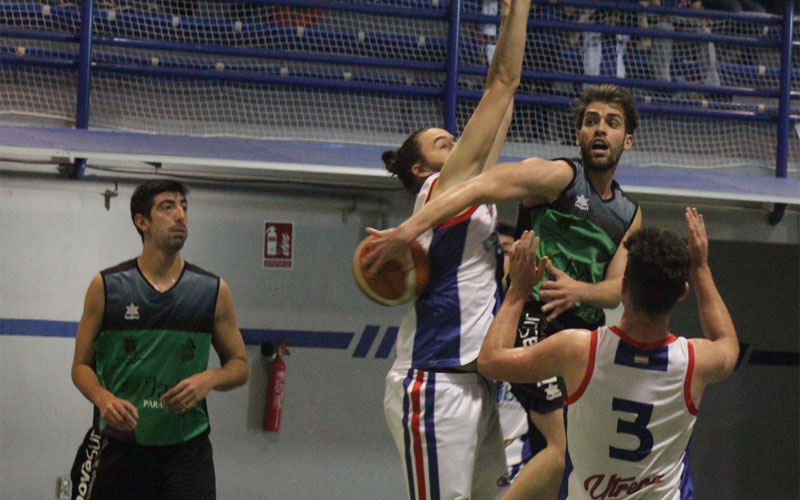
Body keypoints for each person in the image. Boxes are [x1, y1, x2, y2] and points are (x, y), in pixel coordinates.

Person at [366, 83, 644, 500]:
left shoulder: (629, 214)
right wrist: (407, 231)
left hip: (576, 340)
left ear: (628, 139)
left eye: (611, 122)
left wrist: (580, 291)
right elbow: (478, 185)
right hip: (530, 320)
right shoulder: (559, 177)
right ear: (578, 136)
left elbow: (614, 291)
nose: (600, 130)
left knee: (567, 462)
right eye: (591, 122)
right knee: (559, 451)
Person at [379, 0, 533, 498]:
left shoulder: (472, 194)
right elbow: (498, 90)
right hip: (435, 384)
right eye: (445, 144)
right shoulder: (436, 194)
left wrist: (510, 20)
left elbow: (504, 98)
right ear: (422, 172)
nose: (459, 144)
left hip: (478, 383)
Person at [478, 209, 738, 499]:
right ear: (682, 292)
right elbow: (727, 342)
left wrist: (517, 291)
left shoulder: (579, 350)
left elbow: (490, 362)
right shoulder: (694, 362)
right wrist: (701, 266)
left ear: (623, 288)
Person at [69, 179, 249, 500]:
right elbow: (81, 366)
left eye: (184, 206)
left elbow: (239, 366)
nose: (180, 215)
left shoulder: (213, 291)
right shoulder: (107, 286)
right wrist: (103, 399)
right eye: (167, 207)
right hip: (120, 447)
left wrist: (210, 378)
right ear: (142, 222)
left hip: (186, 453)